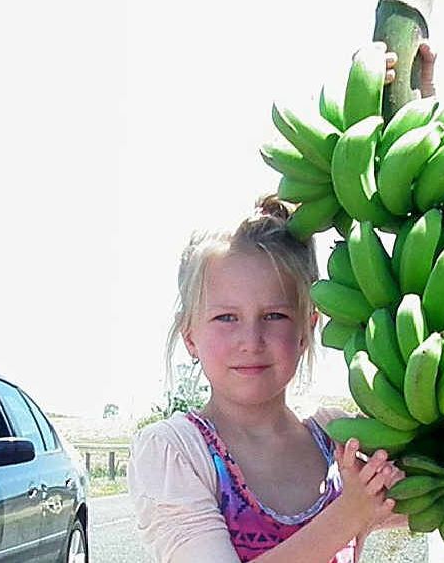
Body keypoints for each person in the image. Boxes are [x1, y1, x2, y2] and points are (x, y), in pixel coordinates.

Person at [128, 195, 402, 563]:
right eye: (226, 318)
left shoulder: (338, 439)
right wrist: (348, 515)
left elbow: (436, 495)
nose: (251, 341)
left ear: (307, 328)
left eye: (274, 316)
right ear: (190, 336)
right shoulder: (176, 451)